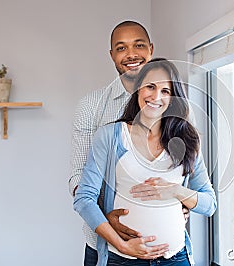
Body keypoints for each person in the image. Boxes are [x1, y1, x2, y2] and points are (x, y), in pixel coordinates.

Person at [74, 58, 217, 266]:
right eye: (150, 86)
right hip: (123, 259)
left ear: (173, 98)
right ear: (138, 89)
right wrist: (123, 245)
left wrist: (176, 192)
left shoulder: (187, 140)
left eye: (165, 91)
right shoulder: (111, 136)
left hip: (176, 259)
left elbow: (209, 204)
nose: (156, 96)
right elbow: (84, 198)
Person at [69, 21, 171, 265]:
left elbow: (186, 168)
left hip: (165, 248)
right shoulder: (91, 106)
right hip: (105, 248)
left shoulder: (172, 102)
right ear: (112, 55)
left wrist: (184, 202)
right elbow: (77, 178)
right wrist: (106, 219)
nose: (131, 54)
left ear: (151, 49)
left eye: (138, 45)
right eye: (121, 48)